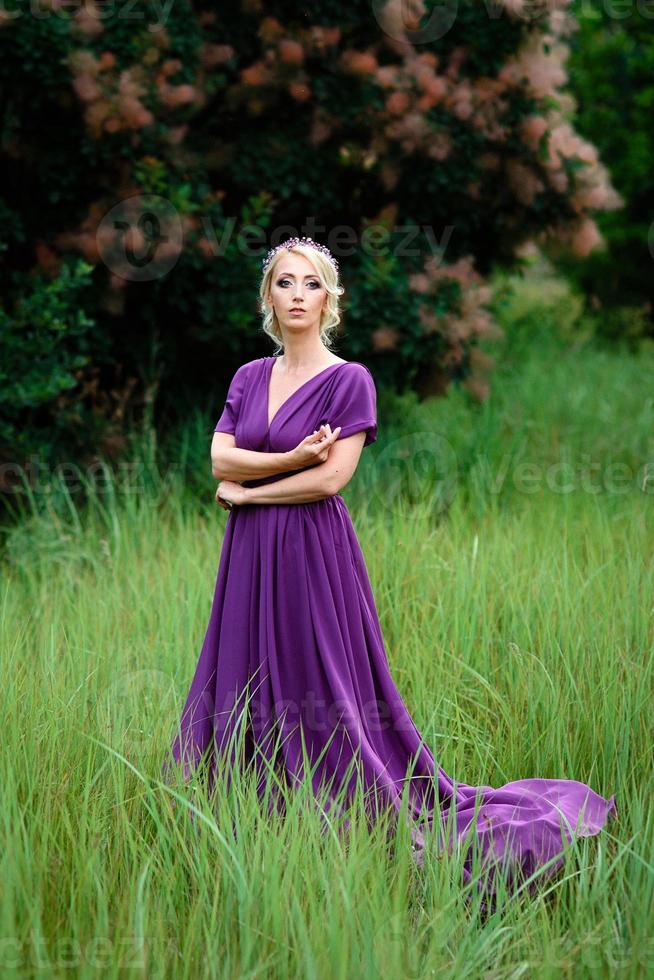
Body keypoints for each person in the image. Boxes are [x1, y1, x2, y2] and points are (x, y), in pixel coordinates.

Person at [163, 236, 617, 908]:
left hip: (310, 549)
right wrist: (289, 457)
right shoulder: (247, 377)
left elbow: (331, 480)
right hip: (248, 553)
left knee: (317, 673)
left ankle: (337, 800)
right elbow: (220, 461)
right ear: (268, 297)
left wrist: (254, 491)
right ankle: (247, 800)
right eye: (283, 283)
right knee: (245, 665)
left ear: (329, 299)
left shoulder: (350, 380)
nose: (296, 295)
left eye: (310, 284)